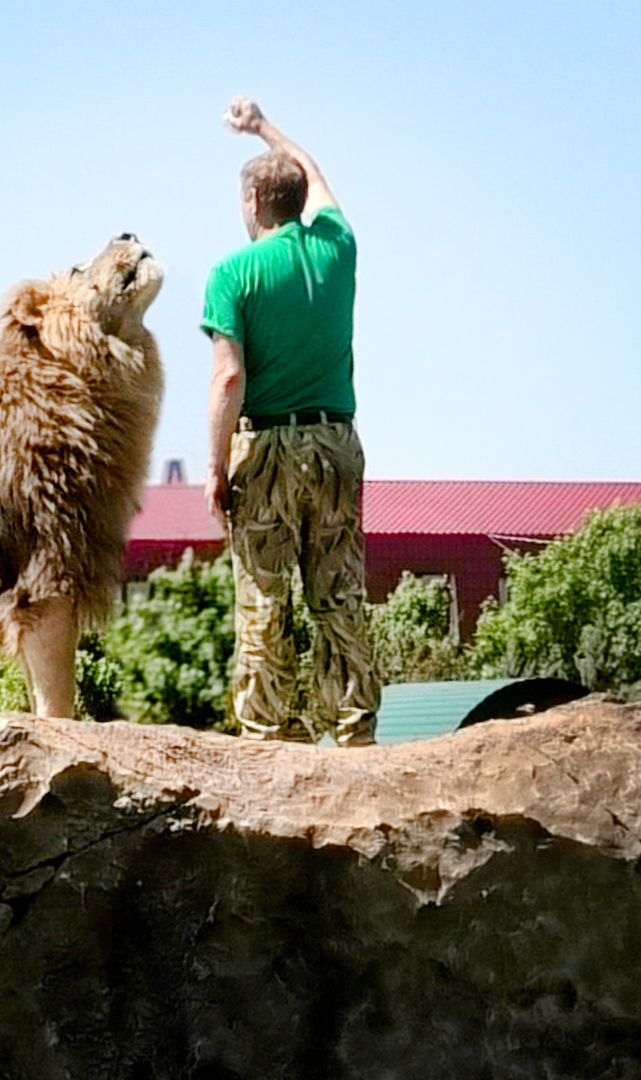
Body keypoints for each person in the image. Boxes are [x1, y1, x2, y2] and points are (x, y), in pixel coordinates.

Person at [201, 96, 379, 747]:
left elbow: (228, 378)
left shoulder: (232, 273)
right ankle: (356, 734)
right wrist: (264, 127)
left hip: (268, 446)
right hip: (335, 442)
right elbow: (315, 171)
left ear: (252, 203)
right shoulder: (338, 248)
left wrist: (217, 468)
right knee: (338, 594)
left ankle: (265, 740)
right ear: (300, 201)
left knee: (264, 603)